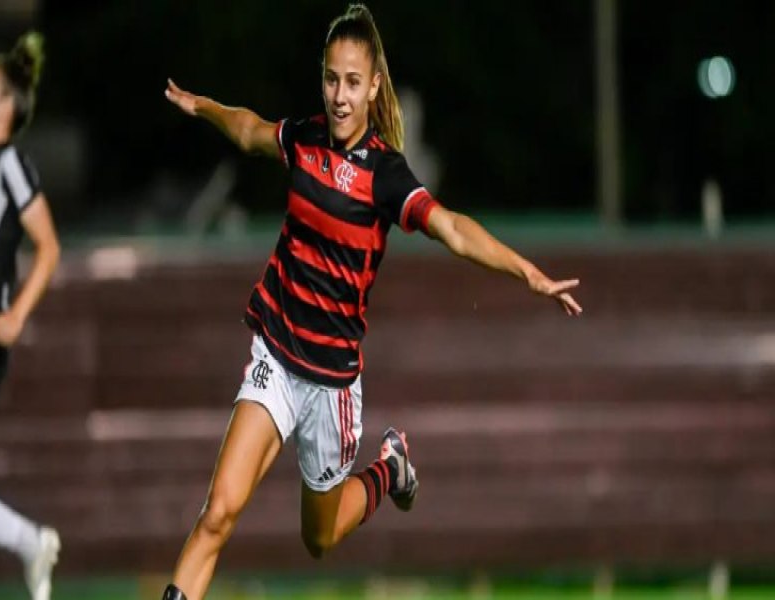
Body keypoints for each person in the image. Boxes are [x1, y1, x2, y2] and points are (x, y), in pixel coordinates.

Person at [162, 4, 581, 599]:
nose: (339, 95)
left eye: (352, 82)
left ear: (374, 86)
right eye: (332, 78)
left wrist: (528, 273)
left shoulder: (385, 175)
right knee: (217, 514)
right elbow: (250, 128)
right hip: (275, 358)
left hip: (330, 385)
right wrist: (202, 106)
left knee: (320, 538)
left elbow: (454, 229)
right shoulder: (302, 139)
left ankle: (391, 468)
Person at [0, 32, 62, 600]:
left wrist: (18, 313)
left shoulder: (9, 165)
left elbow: (49, 246)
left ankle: (32, 542)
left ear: (6, 104)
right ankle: (31, 543)